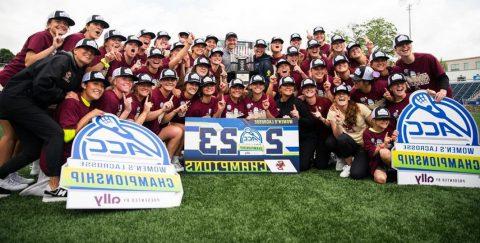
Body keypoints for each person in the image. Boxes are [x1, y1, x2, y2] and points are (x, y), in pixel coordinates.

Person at [0, 39, 100, 197]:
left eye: (92, 52)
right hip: (17, 99)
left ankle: (1, 178)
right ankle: (52, 186)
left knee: (33, 149)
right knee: (55, 133)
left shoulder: (77, 69)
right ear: (75, 50)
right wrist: (63, 95)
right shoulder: (63, 59)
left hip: (22, 102)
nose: (89, 53)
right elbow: (42, 84)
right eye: (85, 49)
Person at [0, 10, 75, 184]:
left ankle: (7, 173)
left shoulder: (55, 41)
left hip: (22, 91)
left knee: (25, 140)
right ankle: (4, 177)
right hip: (11, 86)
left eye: (66, 23)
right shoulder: (42, 36)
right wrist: (53, 48)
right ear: (49, 23)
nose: (62, 25)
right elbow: (29, 61)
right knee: (11, 135)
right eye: (58, 21)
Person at [41, 71, 107, 202]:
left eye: (102, 86)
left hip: (72, 159)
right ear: (83, 85)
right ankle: (51, 187)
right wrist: (89, 116)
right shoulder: (71, 102)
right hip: (58, 162)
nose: (99, 88)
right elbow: (67, 136)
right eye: (95, 83)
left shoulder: (89, 104)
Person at [326, 85, 372, 179]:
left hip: (361, 145)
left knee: (357, 174)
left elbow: (373, 124)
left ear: (349, 97)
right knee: (334, 140)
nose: (341, 96)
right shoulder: (332, 112)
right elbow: (337, 136)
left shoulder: (360, 107)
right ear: (334, 98)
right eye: (338, 94)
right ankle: (348, 163)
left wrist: (369, 141)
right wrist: (338, 123)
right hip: (346, 143)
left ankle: (357, 160)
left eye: (344, 94)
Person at [392, 34, 452, 101]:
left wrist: (442, 91)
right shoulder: (398, 65)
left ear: (411, 45)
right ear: (395, 49)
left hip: (439, 99)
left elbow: (443, 77)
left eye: (407, 43)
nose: (404, 46)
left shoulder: (428, 58)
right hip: (420, 101)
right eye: (400, 44)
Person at [275, 76, 316, 171]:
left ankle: (312, 154)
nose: (289, 87)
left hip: (304, 138)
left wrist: (299, 118)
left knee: (302, 166)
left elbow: (311, 123)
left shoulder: (299, 102)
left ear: (294, 88)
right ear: (279, 88)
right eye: (285, 85)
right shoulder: (276, 103)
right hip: (286, 140)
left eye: (291, 85)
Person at [301, 78, 333, 169]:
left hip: (323, 135)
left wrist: (321, 118)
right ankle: (310, 154)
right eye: (306, 87)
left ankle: (330, 154)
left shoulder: (325, 101)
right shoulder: (300, 103)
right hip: (309, 136)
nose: (308, 89)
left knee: (321, 165)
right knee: (303, 166)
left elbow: (331, 123)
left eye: (311, 87)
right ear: (302, 91)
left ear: (316, 89)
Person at [363, 107, 398, 184]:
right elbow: (372, 153)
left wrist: (396, 140)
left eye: (387, 119)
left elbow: (399, 149)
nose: (385, 121)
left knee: (384, 152)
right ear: (374, 120)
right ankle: (392, 173)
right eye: (381, 118)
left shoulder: (390, 130)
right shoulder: (367, 133)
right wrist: (384, 144)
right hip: (378, 163)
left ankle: (395, 170)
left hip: (391, 160)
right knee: (380, 180)